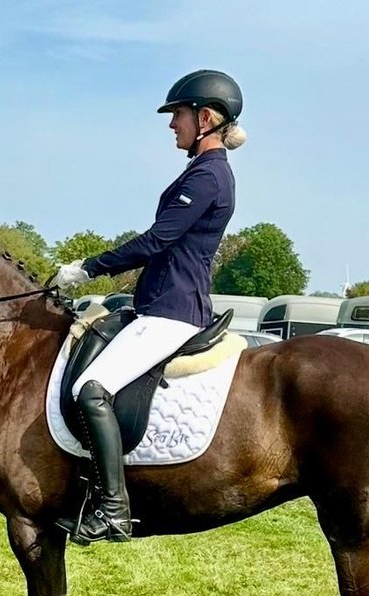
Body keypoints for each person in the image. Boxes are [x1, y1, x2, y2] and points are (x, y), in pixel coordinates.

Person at [51, 69, 246, 545]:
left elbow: (158, 240)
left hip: (172, 311)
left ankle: (114, 508)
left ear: (204, 118)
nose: (170, 125)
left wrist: (89, 266)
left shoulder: (209, 175)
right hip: (160, 305)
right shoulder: (200, 172)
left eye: (176, 115)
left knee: (91, 388)